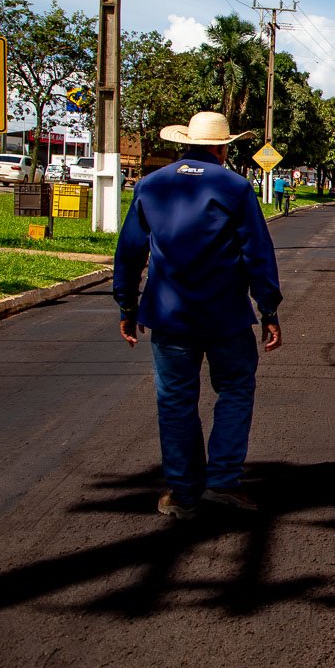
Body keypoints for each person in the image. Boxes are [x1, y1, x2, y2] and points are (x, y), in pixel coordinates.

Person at [113, 111, 283, 520]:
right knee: (236, 390)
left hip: (170, 316)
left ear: (185, 142)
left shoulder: (151, 185)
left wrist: (126, 305)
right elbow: (256, 254)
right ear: (223, 147)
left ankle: (184, 492)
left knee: (175, 401)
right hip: (225, 316)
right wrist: (269, 309)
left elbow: (130, 251)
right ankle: (222, 483)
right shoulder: (235, 187)